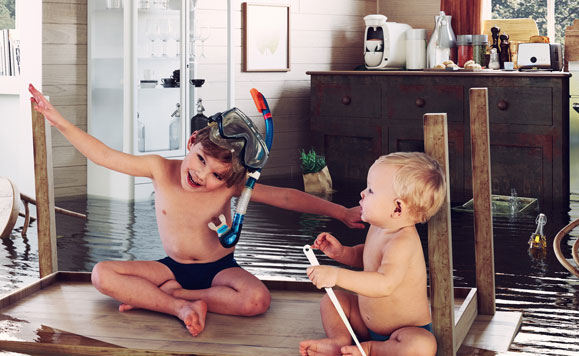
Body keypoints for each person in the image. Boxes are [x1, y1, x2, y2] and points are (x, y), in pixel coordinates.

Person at [29, 84, 364, 337]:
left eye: (217, 175)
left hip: (219, 270)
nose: (203, 175)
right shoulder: (159, 169)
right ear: (191, 143)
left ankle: (173, 297)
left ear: (229, 178)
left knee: (257, 300)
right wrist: (57, 120)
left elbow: (288, 198)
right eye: (201, 160)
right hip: (170, 268)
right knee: (102, 274)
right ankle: (178, 305)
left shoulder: (235, 187)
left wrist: (339, 212)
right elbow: (104, 155)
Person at [298, 152, 446, 356]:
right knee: (332, 300)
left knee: (421, 349)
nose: (362, 193)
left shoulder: (402, 241)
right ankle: (340, 342)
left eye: (371, 190)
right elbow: (367, 257)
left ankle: (368, 350)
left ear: (397, 208)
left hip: (404, 331)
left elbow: (384, 283)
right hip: (366, 322)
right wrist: (342, 253)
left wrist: (337, 275)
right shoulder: (380, 227)